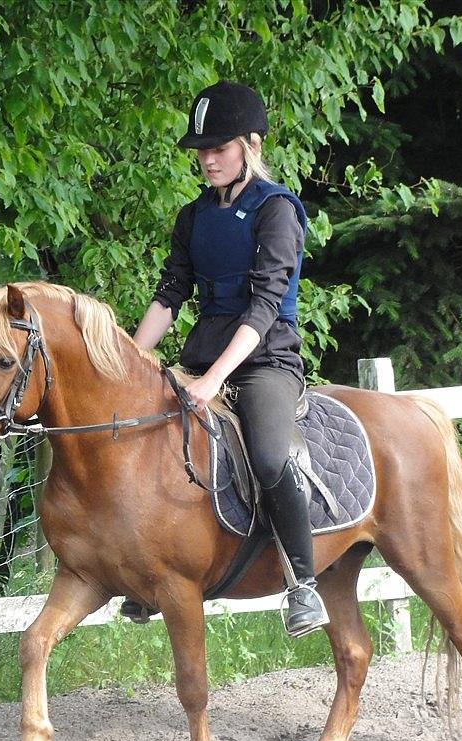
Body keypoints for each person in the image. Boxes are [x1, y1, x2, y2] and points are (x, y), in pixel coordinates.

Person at [127, 80, 328, 637]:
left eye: (219, 148)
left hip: (266, 361)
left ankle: (304, 585)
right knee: (142, 438)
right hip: (200, 357)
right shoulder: (194, 216)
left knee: (268, 456)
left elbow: (265, 305)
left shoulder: (278, 210)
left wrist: (213, 380)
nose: (207, 158)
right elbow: (171, 294)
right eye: (202, 149)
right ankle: (148, 573)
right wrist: (127, 359)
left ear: (250, 146)